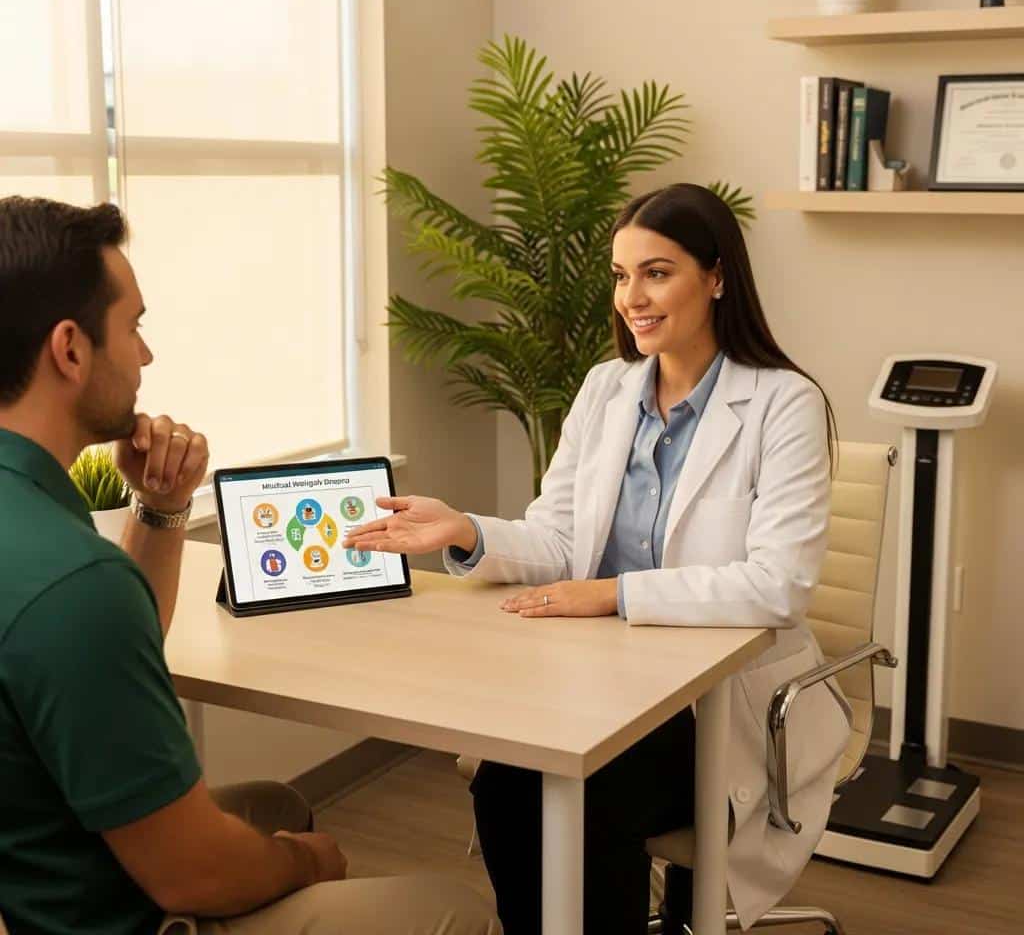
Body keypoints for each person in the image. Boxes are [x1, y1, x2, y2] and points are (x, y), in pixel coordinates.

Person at [344, 183, 853, 934]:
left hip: (718, 705)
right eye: (621, 276)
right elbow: (557, 541)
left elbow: (777, 586)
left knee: (585, 795)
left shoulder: (784, 403)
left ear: (716, 277)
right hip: (600, 684)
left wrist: (613, 594)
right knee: (509, 785)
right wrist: (463, 531)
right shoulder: (605, 388)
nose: (632, 298)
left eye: (657, 273)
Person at [0, 196, 498, 935]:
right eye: (134, 328)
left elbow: (113, 645)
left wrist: (163, 506)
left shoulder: (37, 527)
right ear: (70, 350)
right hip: (103, 915)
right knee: (455, 910)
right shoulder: (74, 580)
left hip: (35, 863)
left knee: (275, 805)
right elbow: (193, 872)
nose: (146, 356)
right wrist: (305, 861)